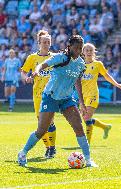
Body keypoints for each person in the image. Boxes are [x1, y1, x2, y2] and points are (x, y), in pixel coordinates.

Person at [17, 35, 97, 168]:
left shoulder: (81, 64)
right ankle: (23, 152)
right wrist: (36, 71)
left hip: (66, 99)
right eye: (76, 48)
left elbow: (77, 82)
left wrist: (82, 103)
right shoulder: (60, 57)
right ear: (70, 46)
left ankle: (88, 160)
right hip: (51, 97)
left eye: (80, 49)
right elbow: (43, 65)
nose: (78, 51)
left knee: (78, 127)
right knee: (42, 130)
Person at [21, 30, 57, 159]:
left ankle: (52, 148)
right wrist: (26, 77)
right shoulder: (32, 58)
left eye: (48, 42)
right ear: (39, 43)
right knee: (41, 124)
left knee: (50, 122)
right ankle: (48, 147)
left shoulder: (54, 57)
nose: (47, 44)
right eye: (44, 42)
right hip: (37, 95)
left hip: (51, 94)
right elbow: (24, 71)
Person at [81, 43, 121, 144]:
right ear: (83, 52)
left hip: (93, 94)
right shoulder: (80, 65)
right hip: (83, 96)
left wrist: (117, 84)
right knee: (85, 118)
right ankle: (105, 127)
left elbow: (107, 76)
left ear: (94, 52)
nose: (88, 52)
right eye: (86, 50)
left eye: (91, 50)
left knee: (87, 118)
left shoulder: (97, 64)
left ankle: (86, 143)